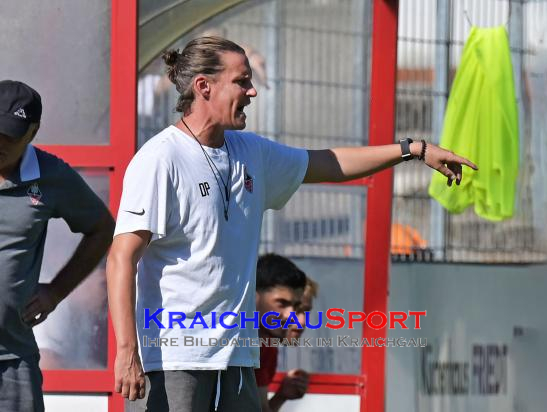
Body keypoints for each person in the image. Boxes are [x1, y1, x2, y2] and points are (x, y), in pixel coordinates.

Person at [107, 36, 477, 411]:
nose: (252, 91)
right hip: (173, 362)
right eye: (241, 81)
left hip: (237, 362)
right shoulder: (160, 159)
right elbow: (122, 258)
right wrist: (127, 352)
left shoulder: (251, 151)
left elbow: (330, 163)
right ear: (204, 86)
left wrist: (412, 150)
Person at [0, 80, 115, 411]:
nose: (1, 142)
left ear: (32, 132)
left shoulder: (51, 176)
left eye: (11, 134)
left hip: (13, 360)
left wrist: (56, 292)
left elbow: (101, 229)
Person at [254, 254, 309, 412]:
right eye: (282, 303)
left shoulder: (267, 347)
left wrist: (281, 396)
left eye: (295, 306)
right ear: (254, 297)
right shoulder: (225, 342)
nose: (290, 315)